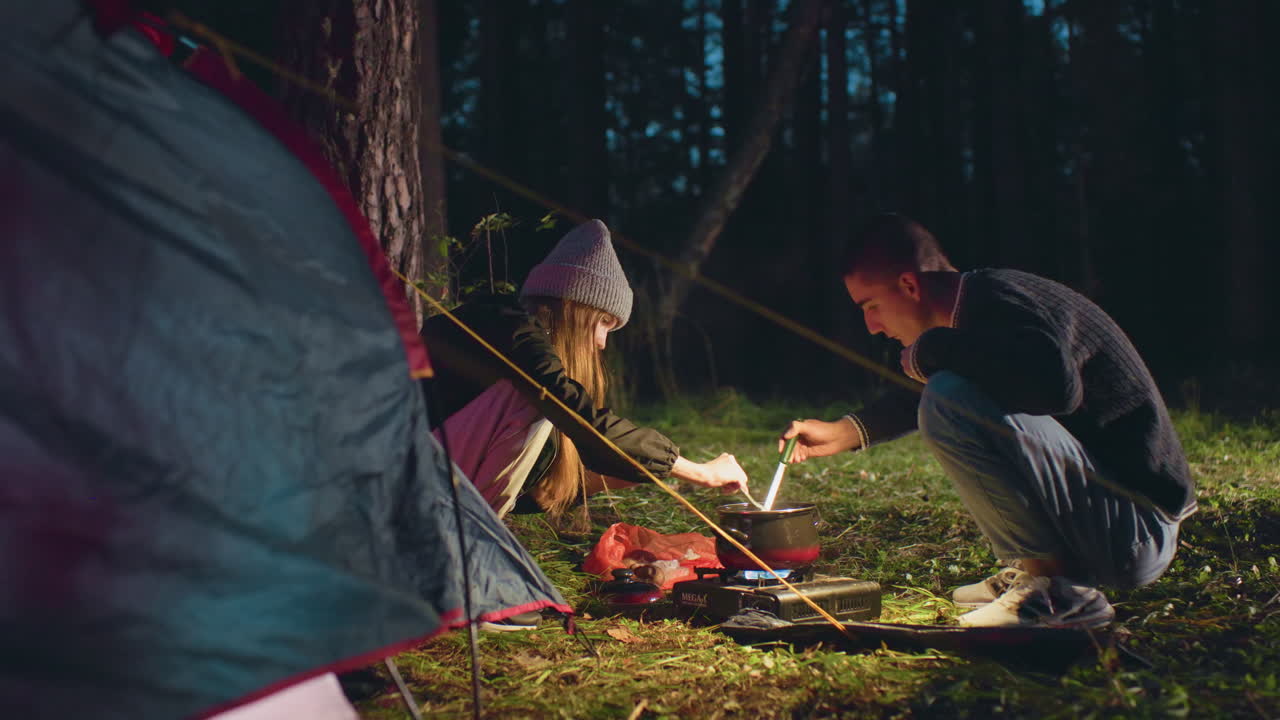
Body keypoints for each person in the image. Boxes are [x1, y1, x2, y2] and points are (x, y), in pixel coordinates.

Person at [781, 213, 1195, 629]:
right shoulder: (981, 308)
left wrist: (935, 348)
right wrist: (845, 432)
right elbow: (976, 381)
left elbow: (1057, 387)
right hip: (1114, 521)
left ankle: (1056, 591)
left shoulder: (1000, 302)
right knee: (950, 390)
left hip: (1137, 529)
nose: (872, 326)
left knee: (948, 396)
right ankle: (1039, 576)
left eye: (870, 306)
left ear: (909, 285)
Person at [421, 218, 749, 523]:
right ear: (576, 307)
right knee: (544, 404)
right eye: (604, 322)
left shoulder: (509, 335)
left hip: (427, 485)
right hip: (415, 492)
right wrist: (699, 471)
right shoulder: (509, 333)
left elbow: (531, 494)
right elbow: (580, 415)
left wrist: (625, 471)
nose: (603, 342)